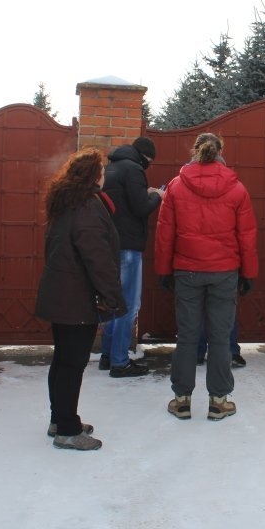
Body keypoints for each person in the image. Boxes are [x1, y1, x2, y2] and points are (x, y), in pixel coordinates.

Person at [155, 133, 258, 420]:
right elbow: (247, 236)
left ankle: (182, 400)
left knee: (187, 336)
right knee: (221, 337)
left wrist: (163, 270)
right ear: (221, 151)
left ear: (195, 151)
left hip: (187, 271)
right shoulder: (236, 188)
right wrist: (249, 273)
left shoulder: (176, 186)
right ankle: (218, 402)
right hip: (224, 272)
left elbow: (165, 233)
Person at [34, 148, 125, 451]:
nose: (104, 176)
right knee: (72, 365)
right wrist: (111, 295)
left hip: (62, 293)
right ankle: (68, 430)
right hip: (76, 298)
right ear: (93, 176)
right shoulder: (86, 207)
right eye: (102, 171)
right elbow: (97, 258)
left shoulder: (68, 202)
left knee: (63, 361)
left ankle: (60, 419)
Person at [99, 136, 163, 378]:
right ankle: (120, 362)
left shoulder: (112, 167)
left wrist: (145, 193)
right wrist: (157, 196)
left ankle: (107, 355)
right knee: (129, 305)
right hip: (129, 246)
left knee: (114, 302)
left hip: (110, 245)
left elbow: (123, 202)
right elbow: (140, 208)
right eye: (150, 161)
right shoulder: (134, 169)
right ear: (145, 156)